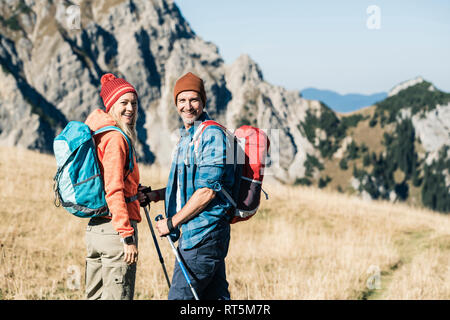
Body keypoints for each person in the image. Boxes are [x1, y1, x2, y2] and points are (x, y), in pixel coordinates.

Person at [141, 72, 235, 300]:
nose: (188, 106)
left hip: (204, 235)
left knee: (180, 298)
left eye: (194, 99)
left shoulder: (211, 135)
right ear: (175, 103)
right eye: (181, 100)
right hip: (199, 235)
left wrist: (172, 222)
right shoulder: (188, 136)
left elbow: (207, 191)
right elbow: (187, 186)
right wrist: (155, 195)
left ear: (203, 101)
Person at [84, 73, 141, 300]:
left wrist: (137, 192)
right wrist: (127, 236)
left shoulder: (98, 133)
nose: (130, 108)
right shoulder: (116, 139)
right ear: (111, 106)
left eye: (134, 103)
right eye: (124, 103)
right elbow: (113, 188)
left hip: (95, 229)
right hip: (115, 231)